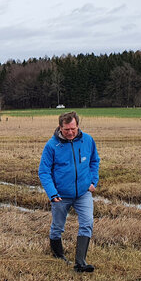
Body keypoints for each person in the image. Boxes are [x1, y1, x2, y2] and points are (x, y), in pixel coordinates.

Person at [38, 111, 100, 272]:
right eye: (67, 130)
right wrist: (52, 193)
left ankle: (80, 262)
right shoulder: (52, 146)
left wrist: (93, 181)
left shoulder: (88, 140)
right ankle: (58, 254)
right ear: (60, 128)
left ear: (78, 126)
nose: (70, 132)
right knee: (58, 227)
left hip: (83, 193)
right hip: (60, 196)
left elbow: (94, 161)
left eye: (73, 128)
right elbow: (44, 171)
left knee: (87, 223)